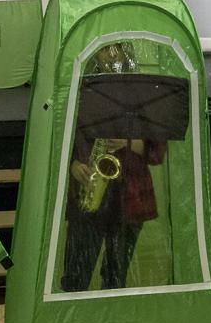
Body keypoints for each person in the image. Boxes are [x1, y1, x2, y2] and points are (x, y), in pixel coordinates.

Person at [61, 43, 167, 292]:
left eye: (117, 47)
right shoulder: (80, 92)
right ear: (92, 54)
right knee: (76, 275)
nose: (112, 55)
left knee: (116, 276)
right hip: (89, 190)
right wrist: (72, 165)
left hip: (130, 195)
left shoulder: (143, 94)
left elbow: (158, 152)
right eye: (104, 48)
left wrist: (133, 142)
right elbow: (59, 141)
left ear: (127, 50)